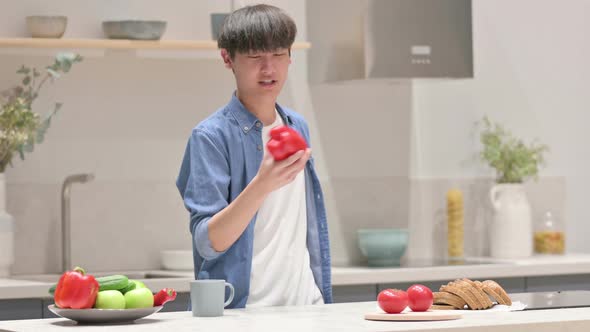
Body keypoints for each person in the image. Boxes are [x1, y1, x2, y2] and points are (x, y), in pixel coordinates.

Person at [176, 4, 332, 309]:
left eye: (277, 54)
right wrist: (263, 183)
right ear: (227, 58)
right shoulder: (210, 137)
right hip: (247, 313)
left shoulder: (296, 126)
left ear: (290, 56)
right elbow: (209, 242)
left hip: (308, 306)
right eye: (255, 57)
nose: (269, 68)